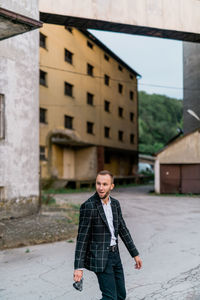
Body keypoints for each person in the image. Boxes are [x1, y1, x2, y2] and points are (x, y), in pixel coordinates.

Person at [73, 170, 142, 299]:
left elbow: (123, 230)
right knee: (110, 297)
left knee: (121, 296)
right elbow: (82, 239)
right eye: (98, 183)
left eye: (105, 184)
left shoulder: (115, 204)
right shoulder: (89, 206)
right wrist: (78, 267)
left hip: (115, 255)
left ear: (111, 186)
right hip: (100, 257)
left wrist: (135, 254)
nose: (101, 187)